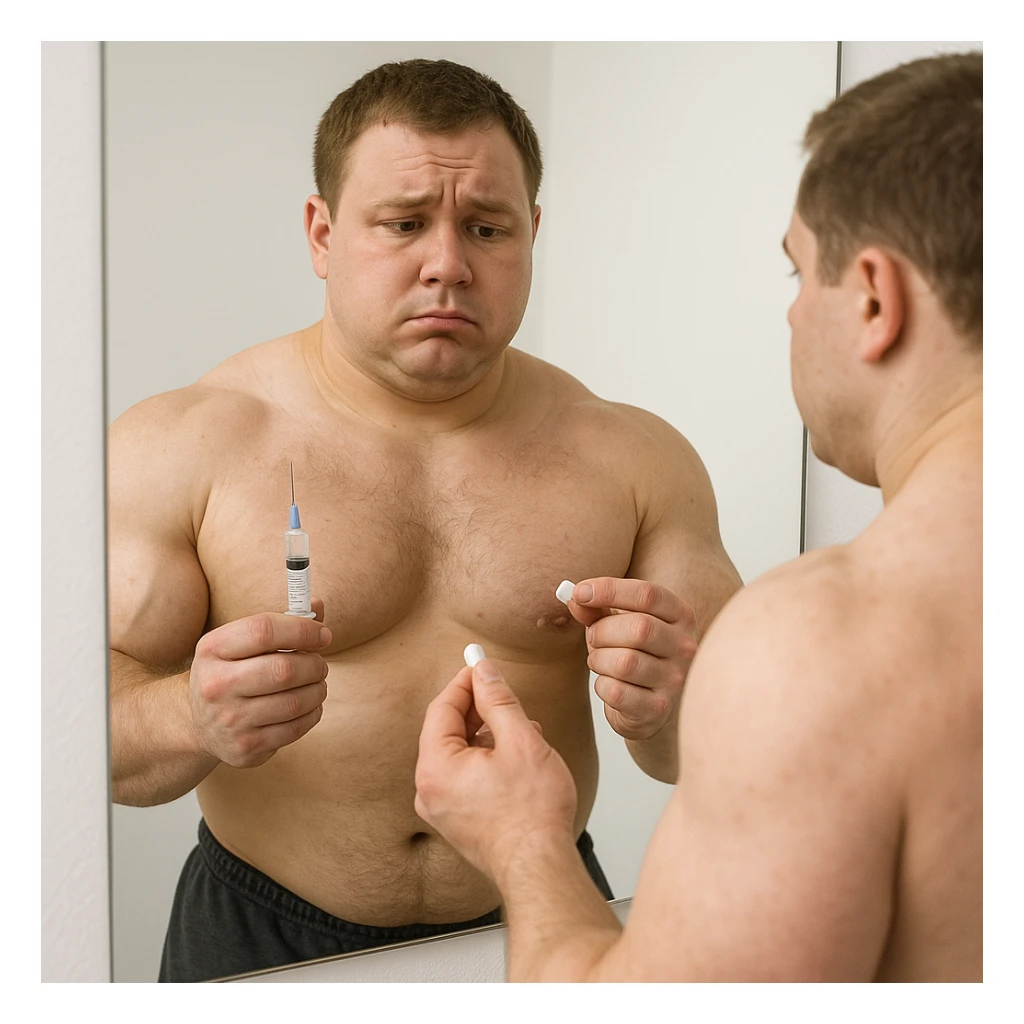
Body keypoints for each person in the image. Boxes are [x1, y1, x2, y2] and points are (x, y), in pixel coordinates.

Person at [107, 58, 742, 982]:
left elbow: (712, 750)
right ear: (322, 233)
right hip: (260, 930)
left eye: (487, 227)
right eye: (404, 224)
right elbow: (75, 752)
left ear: (533, 233)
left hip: (543, 908)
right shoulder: (183, 447)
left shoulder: (637, 459)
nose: (448, 263)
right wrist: (188, 716)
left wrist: (670, 708)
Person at [415, 51, 983, 982]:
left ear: (875, 297)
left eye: (799, 272)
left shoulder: (829, 642)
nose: (795, 315)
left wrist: (523, 841)